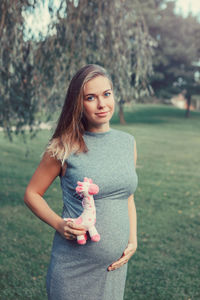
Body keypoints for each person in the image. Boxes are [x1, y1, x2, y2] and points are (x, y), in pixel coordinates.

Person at [24, 64, 138, 300]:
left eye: (106, 94)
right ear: (78, 103)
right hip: (74, 268)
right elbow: (32, 193)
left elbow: (127, 196)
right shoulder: (63, 146)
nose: (102, 104)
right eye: (90, 97)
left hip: (114, 268)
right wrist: (59, 224)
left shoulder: (128, 143)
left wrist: (132, 241)